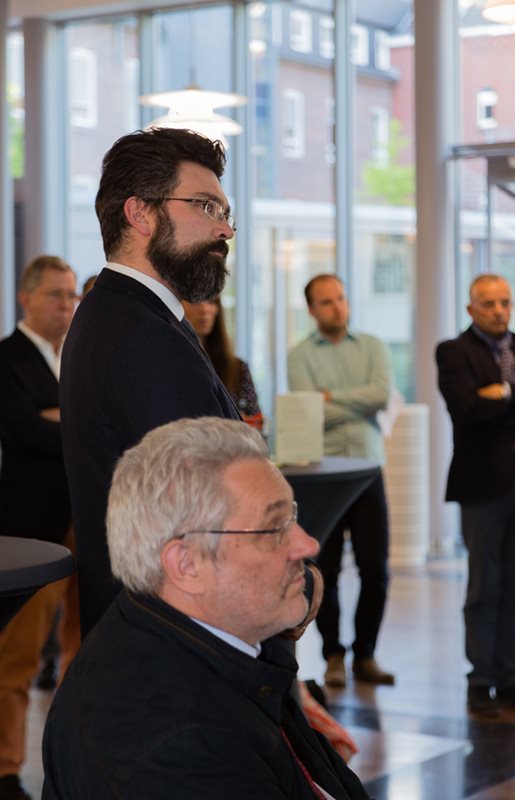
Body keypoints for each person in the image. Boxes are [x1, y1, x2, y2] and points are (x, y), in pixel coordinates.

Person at [42, 417, 371, 800]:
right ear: (186, 565)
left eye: (292, 516)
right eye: (274, 528)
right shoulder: (178, 750)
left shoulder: (188, 634)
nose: (307, 544)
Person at [60, 127, 242, 638]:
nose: (225, 230)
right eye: (206, 206)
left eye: (225, 213)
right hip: (176, 644)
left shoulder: (118, 313)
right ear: (141, 214)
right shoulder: (140, 334)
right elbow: (200, 516)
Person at [288, 274, 394, 688]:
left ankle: (366, 655)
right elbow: (307, 409)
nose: (338, 307)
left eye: (341, 298)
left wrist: (330, 399)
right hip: (323, 475)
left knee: (376, 569)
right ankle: (332, 654)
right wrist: (354, 402)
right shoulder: (299, 355)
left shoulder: (373, 346)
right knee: (324, 570)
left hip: (367, 471)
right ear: (312, 309)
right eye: (327, 301)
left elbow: (381, 395)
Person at [0, 256, 80, 800]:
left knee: (85, 647)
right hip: (33, 527)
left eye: (72, 295)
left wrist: (58, 418)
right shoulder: (6, 359)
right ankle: (6, 768)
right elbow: (24, 432)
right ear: (26, 298)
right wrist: (71, 422)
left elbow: (72, 424)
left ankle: (76, 756)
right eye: (56, 295)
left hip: (83, 519)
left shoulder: (74, 356)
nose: (67, 305)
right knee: (18, 655)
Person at [436, 273, 515, 717]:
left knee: (514, 586)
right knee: (483, 587)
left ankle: (510, 677)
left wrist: (506, 392)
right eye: (489, 304)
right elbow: (466, 409)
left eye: (505, 302)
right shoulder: (454, 352)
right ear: (470, 309)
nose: (499, 311)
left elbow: (489, 405)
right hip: (483, 486)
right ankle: (480, 680)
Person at [181, 295, 262, 424]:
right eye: (196, 301)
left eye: (211, 301)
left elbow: (256, 421)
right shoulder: (174, 366)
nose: (205, 309)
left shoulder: (239, 368)